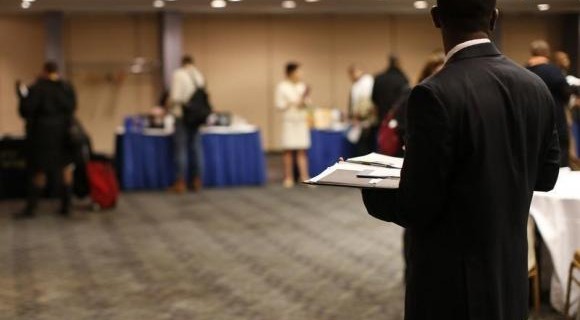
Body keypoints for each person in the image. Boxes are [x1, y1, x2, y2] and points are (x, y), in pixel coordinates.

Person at [360, 0, 561, 318]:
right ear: (494, 18)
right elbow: (546, 177)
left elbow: (417, 205)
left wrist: (369, 187)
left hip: (450, 283)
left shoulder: (433, 93)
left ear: (436, 18)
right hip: (510, 272)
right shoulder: (534, 86)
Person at [16, 61, 77, 219]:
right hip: (64, 133)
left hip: (42, 135)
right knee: (66, 168)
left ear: (44, 71)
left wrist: (21, 95)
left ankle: (31, 208)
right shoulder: (65, 87)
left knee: (39, 170)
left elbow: (26, 110)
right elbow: (72, 106)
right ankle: (66, 206)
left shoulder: (38, 87)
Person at [527, 41, 572, 167]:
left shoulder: (524, 70)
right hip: (555, 119)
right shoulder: (553, 71)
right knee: (559, 154)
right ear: (547, 53)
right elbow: (566, 93)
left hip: (531, 120)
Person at [169, 55, 206, 193]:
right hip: (196, 117)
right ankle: (197, 180)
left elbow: (175, 97)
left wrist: (168, 105)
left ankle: (181, 182)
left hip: (183, 116)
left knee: (181, 149)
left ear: (182, 63)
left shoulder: (178, 74)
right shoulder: (199, 75)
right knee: (196, 148)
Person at [275, 62, 311, 188]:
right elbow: (279, 105)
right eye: (298, 71)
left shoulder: (303, 86)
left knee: (302, 150)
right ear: (290, 73)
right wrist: (291, 103)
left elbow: (308, 104)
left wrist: (304, 102)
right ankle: (288, 177)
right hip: (289, 121)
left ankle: (304, 176)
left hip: (301, 121)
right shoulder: (282, 86)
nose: (300, 74)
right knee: (288, 151)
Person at [348, 65, 377, 156]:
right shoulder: (359, 84)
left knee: (363, 146)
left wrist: (357, 116)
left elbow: (364, 104)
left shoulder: (366, 82)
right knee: (366, 145)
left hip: (365, 119)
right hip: (364, 119)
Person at [372, 55, 410, 123]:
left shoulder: (378, 78)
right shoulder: (402, 78)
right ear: (397, 63)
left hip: (381, 116)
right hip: (397, 118)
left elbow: (374, 98)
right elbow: (405, 99)